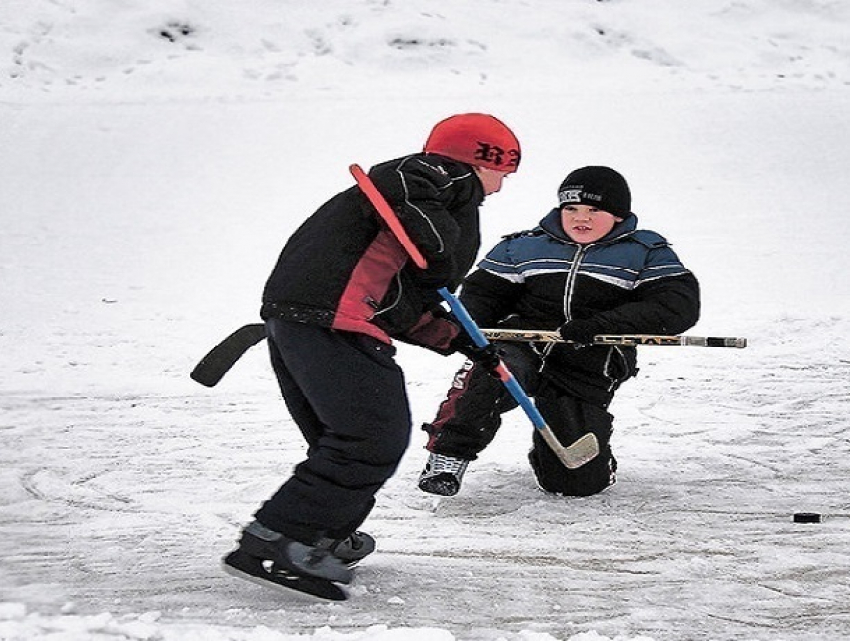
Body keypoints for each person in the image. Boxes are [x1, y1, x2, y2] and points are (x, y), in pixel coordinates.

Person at [222, 113, 521, 599]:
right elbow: (406, 188)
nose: (500, 188)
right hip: (331, 320)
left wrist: (454, 337)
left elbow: (397, 301)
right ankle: (280, 541)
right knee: (371, 438)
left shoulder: (405, 210)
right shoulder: (427, 178)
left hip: (308, 319)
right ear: (480, 159)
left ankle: (323, 534)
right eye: (501, 174)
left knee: (344, 439)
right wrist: (441, 247)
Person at [418, 166, 700, 498]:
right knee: (491, 374)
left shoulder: (645, 253)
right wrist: (471, 323)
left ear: (618, 215)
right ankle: (448, 456)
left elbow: (676, 306)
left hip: (590, 361)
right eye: (571, 209)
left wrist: (599, 326)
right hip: (522, 347)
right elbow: (483, 295)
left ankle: (572, 464)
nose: (581, 218)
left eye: (594, 210)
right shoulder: (523, 247)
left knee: (576, 484)